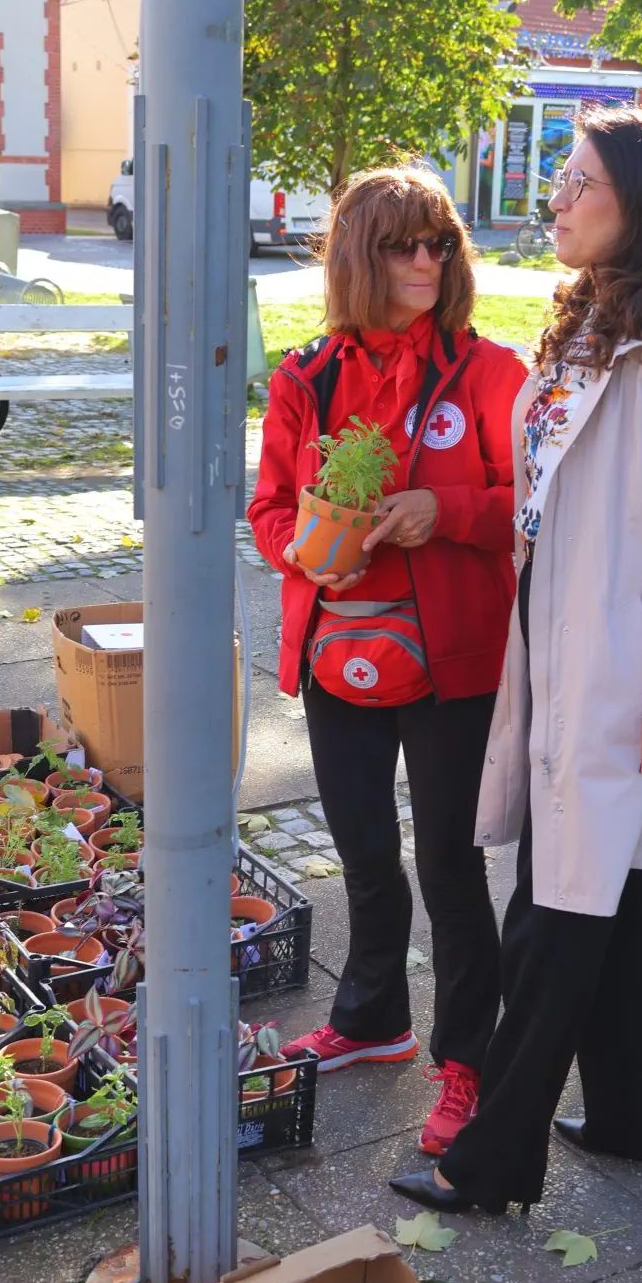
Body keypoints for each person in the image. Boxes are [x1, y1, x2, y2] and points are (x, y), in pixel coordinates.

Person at [389, 107, 642, 1216]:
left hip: (619, 683)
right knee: (626, 894)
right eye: (559, 178)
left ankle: (489, 1163)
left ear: (640, 204)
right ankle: (641, 1115)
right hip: (558, 662)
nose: (556, 196)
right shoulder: (590, 330)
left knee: (551, 918)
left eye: (580, 180)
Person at [247, 166, 528, 1157]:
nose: (425, 261)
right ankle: (372, 1018)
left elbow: (530, 509)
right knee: (363, 854)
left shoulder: (491, 373)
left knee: (449, 866)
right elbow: (270, 508)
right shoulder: (305, 376)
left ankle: (466, 1060)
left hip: (452, 660)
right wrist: (310, 541)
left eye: (440, 243)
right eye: (404, 244)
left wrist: (441, 511)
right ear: (359, 256)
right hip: (340, 652)